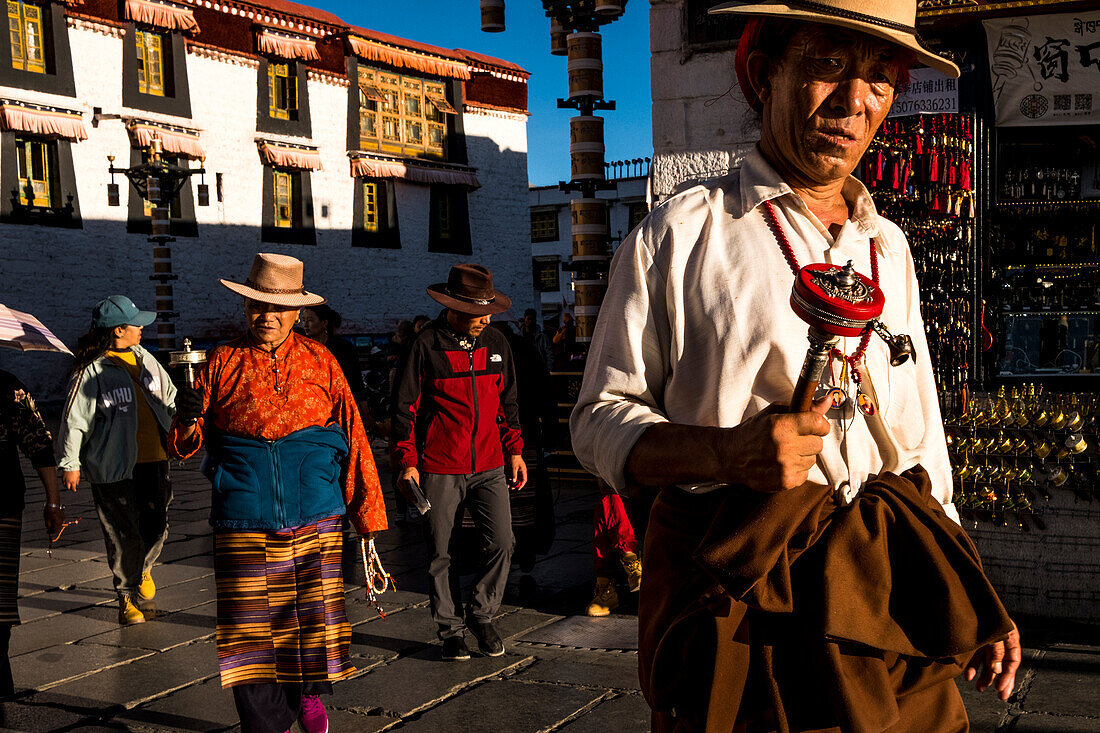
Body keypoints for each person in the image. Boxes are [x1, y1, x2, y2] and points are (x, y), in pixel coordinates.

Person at [569, 1, 1020, 729]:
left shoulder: (890, 248)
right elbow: (596, 423)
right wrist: (726, 451)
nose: (854, 102)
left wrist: (968, 592)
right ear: (761, 72)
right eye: (826, 65)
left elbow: (920, 439)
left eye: (879, 77)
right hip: (743, 600)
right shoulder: (682, 236)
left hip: (882, 590)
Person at [169, 253, 387, 733]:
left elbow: (353, 434)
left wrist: (366, 517)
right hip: (244, 515)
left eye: (278, 308)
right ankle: (267, 724)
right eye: (256, 306)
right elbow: (184, 448)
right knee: (250, 631)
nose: (266, 316)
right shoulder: (221, 362)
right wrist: (186, 416)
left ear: (298, 313)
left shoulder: (321, 360)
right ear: (244, 308)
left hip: (317, 514)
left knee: (312, 621)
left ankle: (307, 696)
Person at [392, 264, 526, 662]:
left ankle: (482, 615)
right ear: (452, 307)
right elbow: (405, 410)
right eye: (476, 311)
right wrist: (407, 462)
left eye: (488, 310)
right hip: (438, 466)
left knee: (503, 541)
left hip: (490, 464)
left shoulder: (498, 342)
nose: (485, 318)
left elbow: (508, 403)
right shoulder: (425, 345)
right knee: (439, 550)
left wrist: (514, 450)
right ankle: (450, 630)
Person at [57, 295, 176, 626]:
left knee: (157, 527)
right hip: (113, 466)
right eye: (136, 324)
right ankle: (126, 597)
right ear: (119, 330)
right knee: (122, 534)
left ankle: (144, 568)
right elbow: (74, 420)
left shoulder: (147, 359)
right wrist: (70, 463)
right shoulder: (91, 371)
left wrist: (183, 427)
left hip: (155, 459)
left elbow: (170, 399)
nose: (141, 328)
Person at [0, 370, 67, 694]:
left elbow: (38, 444)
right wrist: (52, 503)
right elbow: (39, 444)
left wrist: (54, 502)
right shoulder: (6, 386)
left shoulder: (7, 388)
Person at [300, 303, 374, 433]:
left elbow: (356, 382)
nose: (305, 324)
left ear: (324, 323)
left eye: (311, 320)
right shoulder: (301, 347)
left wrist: (365, 413)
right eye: (304, 320)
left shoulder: (343, 348)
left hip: (339, 405)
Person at [520, 308, 553, 372]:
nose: (531, 322)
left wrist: (548, 371)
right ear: (525, 320)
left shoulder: (542, 337)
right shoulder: (520, 337)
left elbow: (549, 355)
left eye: (533, 319)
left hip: (539, 370)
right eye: (529, 319)